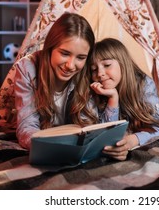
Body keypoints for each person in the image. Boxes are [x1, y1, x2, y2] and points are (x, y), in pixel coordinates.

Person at [14, 12, 97, 150]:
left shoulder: (87, 70)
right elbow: (27, 126)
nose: (70, 65)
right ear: (50, 47)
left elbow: (89, 123)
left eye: (80, 57)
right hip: (46, 142)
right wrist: (48, 146)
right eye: (65, 54)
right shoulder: (27, 68)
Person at [89, 38, 159, 160]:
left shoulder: (144, 84)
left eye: (107, 65)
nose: (99, 73)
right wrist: (113, 98)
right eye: (93, 69)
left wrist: (134, 140)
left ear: (123, 63)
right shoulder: (96, 92)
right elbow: (105, 135)